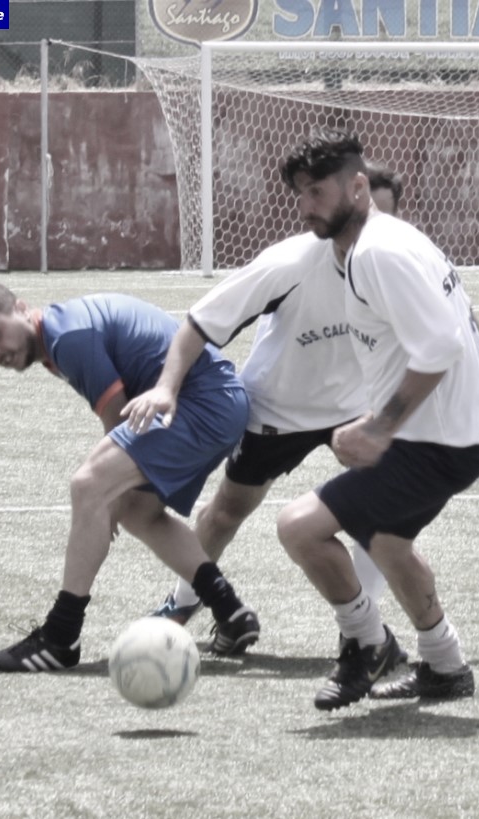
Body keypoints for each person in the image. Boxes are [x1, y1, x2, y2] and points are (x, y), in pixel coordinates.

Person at [121, 163, 408, 666]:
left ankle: (363, 632)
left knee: (390, 513)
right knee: (226, 512)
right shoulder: (289, 263)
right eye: (363, 215)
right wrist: (166, 388)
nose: (370, 228)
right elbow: (198, 323)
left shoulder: (401, 262)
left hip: (355, 411)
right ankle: (185, 603)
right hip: (277, 410)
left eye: (381, 217)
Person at [273, 130, 479, 711]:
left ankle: (367, 644)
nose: (306, 206)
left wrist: (380, 427)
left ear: (356, 186)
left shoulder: (378, 252)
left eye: (317, 191)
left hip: (436, 443)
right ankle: (446, 667)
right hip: (457, 434)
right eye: (301, 194)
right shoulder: (391, 239)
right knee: (388, 544)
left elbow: (442, 345)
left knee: (299, 527)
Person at [0, 279, 260, 672]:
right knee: (138, 513)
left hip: (204, 402)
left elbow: (119, 419)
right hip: (216, 403)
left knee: (89, 485)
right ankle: (230, 610)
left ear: (21, 309)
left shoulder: (67, 337)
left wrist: (107, 496)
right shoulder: (60, 333)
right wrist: (116, 500)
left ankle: (60, 637)